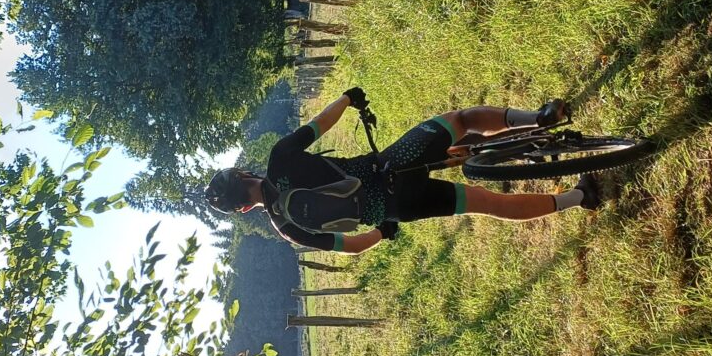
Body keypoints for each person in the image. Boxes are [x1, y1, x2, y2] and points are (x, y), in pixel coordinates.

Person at [204, 87, 599, 253]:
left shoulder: (287, 228)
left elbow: (354, 246)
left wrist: (383, 229)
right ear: (242, 175)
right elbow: (321, 123)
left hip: (399, 206)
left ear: (243, 209)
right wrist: (348, 97)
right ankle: (538, 118)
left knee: (487, 202)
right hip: (393, 163)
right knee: (459, 120)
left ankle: (578, 197)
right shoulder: (278, 159)